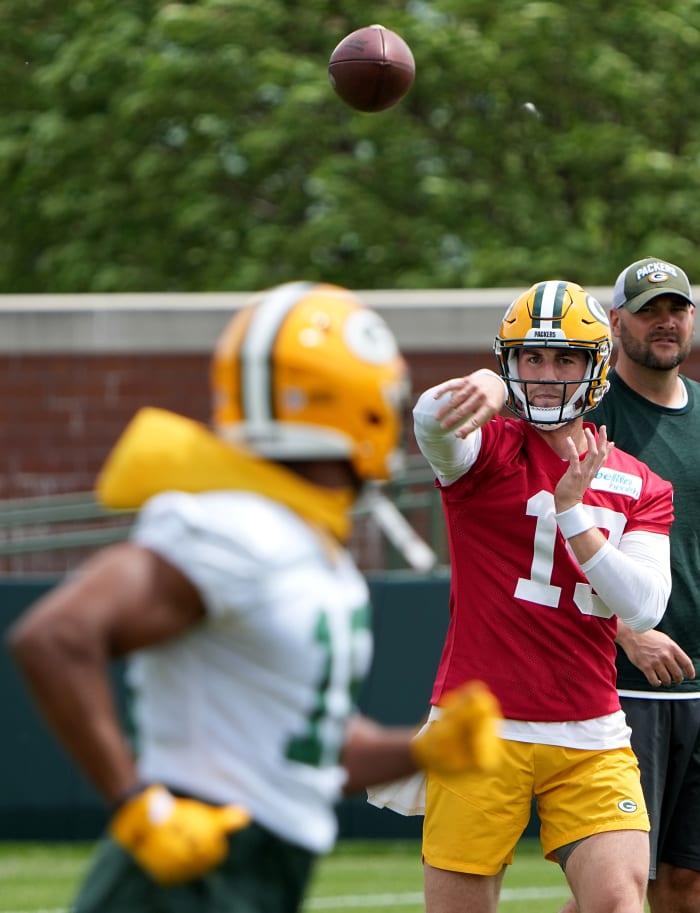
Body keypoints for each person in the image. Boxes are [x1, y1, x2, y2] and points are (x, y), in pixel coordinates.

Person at [5, 281, 501, 913]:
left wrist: (420, 750)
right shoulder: (236, 526)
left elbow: (303, 749)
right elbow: (54, 635)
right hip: (188, 870)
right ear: (361, 402)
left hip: (258, 871)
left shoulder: (309, 548)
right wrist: (136, 807)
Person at [408, 280, 675, 913]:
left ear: (596, 367)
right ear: (509, 362)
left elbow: (644, 607)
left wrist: (574, 515)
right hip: (481, 724)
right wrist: (487, 386)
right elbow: (429, 418)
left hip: (591, 729)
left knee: (617, 901)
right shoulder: (485, 452)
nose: (548, 375)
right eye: (531, 358)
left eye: (565, 359)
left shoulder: (640, 482)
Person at [558, 258, 700, 913]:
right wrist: (627, 628)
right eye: (648, 310)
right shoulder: (587, 415)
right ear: (616, 324)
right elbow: (543, 541)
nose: (665, 321)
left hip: (699, 685)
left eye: (676, 308)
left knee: (688, 884)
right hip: (617, 687)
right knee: (617, 888)